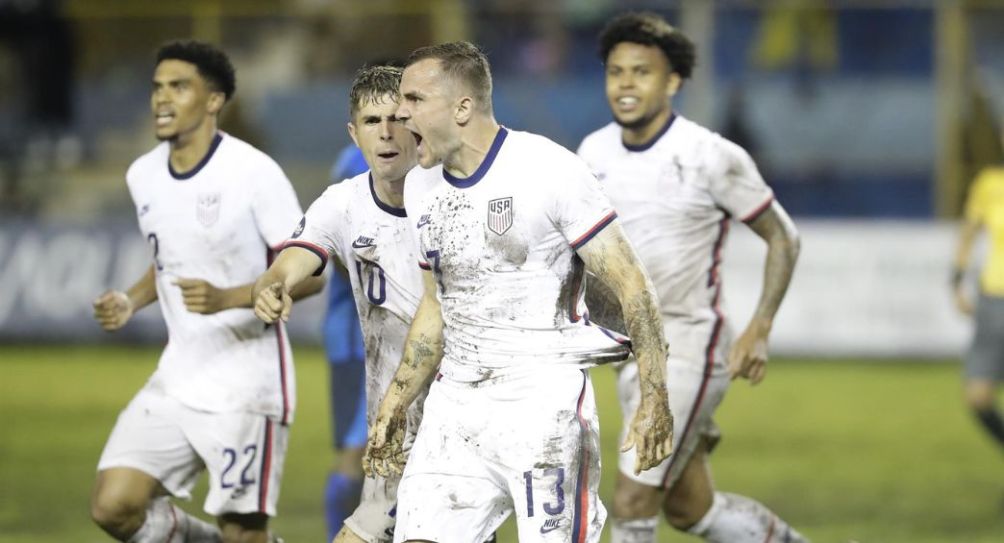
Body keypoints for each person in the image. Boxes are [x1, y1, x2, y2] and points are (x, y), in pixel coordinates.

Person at [360, 41, 674, 543]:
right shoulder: (421, 186)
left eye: (415, 99)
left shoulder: (548, 170)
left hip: (542, 406)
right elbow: (435, 304)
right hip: (454, 408)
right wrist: (396, 402)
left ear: (463, 107)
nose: (399, 112)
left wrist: (655, 399)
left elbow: (631, 283)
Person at [576, 13, 805, 543]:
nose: (626, 84)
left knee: (633, 500)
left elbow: (783, 238)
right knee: (689, 508)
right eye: (616, 72)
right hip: (630, 352)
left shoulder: (711, 156)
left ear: (673, 81)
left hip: (687, 345)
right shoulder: (593, 152)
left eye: (642, 72)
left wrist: (760, 327)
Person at [89, 40, 323, 543]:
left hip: (247, 387)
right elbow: (169, 260)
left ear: (214, 100)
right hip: (178, 376)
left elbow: (312, 272)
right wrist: (131, 299)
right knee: (114, 506)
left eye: (179, 87)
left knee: (242, 531)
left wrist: (231, 298)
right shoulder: (142, 175)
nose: (162, 99)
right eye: (157, 87)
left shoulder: (253, 173)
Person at [251, 65, 424, 543]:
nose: (385, 133)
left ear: (418, 123)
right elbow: (298, 255)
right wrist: (275, 284)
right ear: (354, 133)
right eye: (371, 122)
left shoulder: (453, 197)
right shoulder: (342, 201)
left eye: (396, 118)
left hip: (462, 415)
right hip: (392, 420)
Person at [322, 143, 370, 542]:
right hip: (357, 340)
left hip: (392, 340)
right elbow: (339, 246)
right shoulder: (356, 161)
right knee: (356, 454)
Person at [953, 122, 1004, 459]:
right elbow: (969, 234)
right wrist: (956, 281)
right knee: (978, 396)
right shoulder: (989, 183)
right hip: (993, 302)